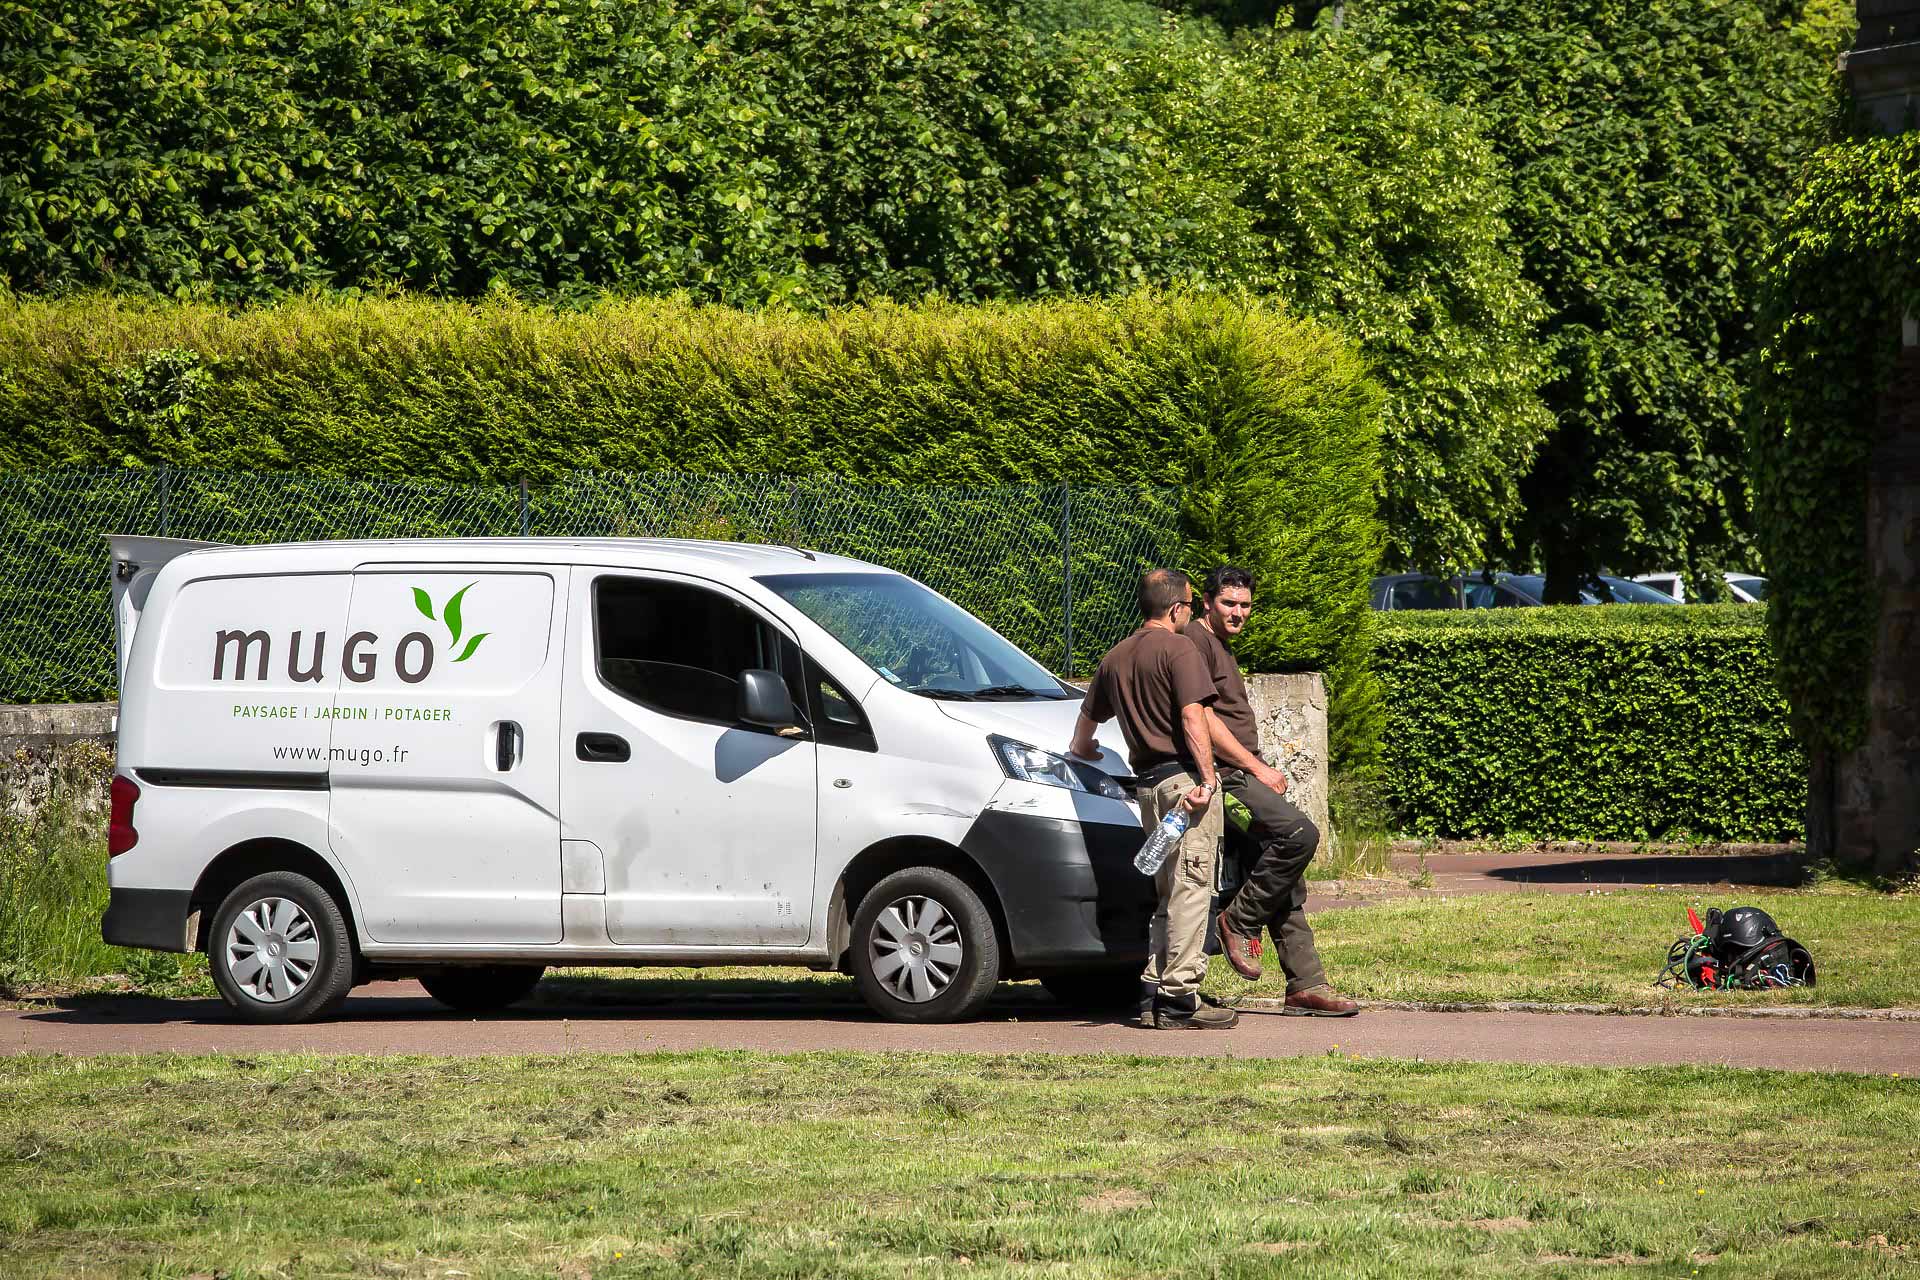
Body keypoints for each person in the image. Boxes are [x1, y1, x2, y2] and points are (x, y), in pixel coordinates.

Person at [1067, 568, 1235, 1030]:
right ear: (1178, 608)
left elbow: (1085, 725)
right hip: (1184, 785)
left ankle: (1153, 987)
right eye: (1188, 605)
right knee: (1193, 887)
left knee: (1166, 888)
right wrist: (1207, 777)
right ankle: (1181, 996)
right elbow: (1191, 715)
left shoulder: (1116, 656)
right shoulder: (1180, 649)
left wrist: (1086, 751)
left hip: (1149, 789)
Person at [1186, 565, 1358, 1016]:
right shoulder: (1195, 642)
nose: (1238, 612)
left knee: (1282, 872)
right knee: (1298, 835)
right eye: (1228, 603)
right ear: (1207, 602)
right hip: (1227, 780)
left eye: (1244, 604)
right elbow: (1202, 717)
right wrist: (1254, 766)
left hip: (1241, 773)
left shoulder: (1218, 644)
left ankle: (1304, 984)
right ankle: (1238, 921)